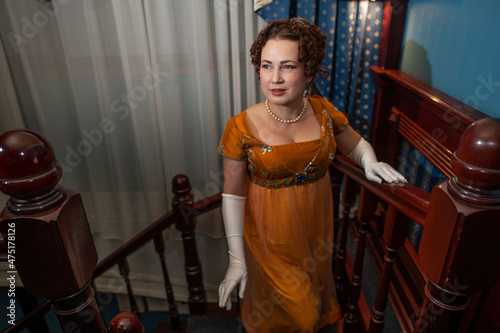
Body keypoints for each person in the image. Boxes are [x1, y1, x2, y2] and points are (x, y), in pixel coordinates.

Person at [217, 18, 406, 333]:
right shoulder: (240, 126)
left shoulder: (322, 112)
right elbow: (233, 194)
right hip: (268, 235)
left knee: (312, 301)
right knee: (299, 314)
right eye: (266, 66)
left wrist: (369, 161)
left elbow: (356, 144)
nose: (274, 78)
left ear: (309, 71)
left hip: (315, 230)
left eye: (287, 66)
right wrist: (236, 257)